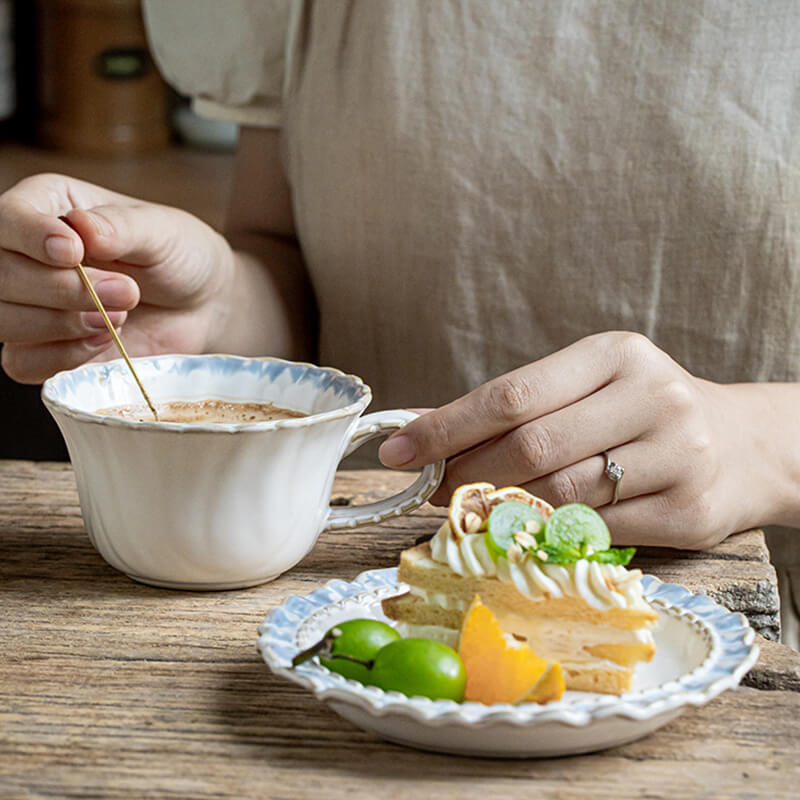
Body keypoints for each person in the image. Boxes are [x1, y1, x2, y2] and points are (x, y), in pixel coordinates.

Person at [0, 1, 797, 642]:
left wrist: (759, 443)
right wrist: (214, 322)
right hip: (358, 613)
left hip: (740, 625)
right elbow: (284, 255)